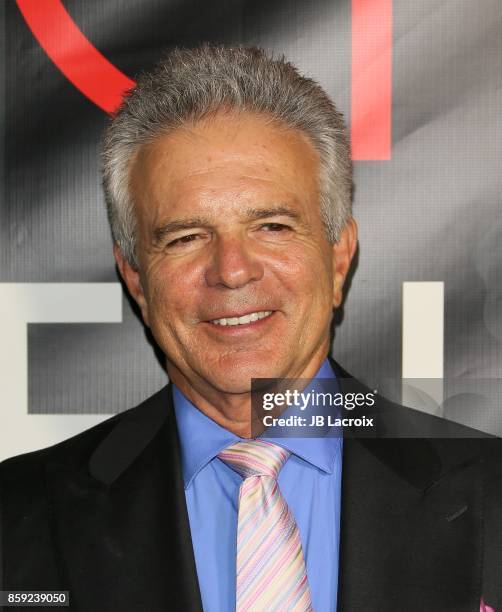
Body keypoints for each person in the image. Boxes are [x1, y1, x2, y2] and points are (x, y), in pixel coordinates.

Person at [1, 45, 501, 612]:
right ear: (136, 279)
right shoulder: (19, 519)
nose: (232, 270)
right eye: (186, 237)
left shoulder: (493, 495)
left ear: (339, 258)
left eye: (272, 225)